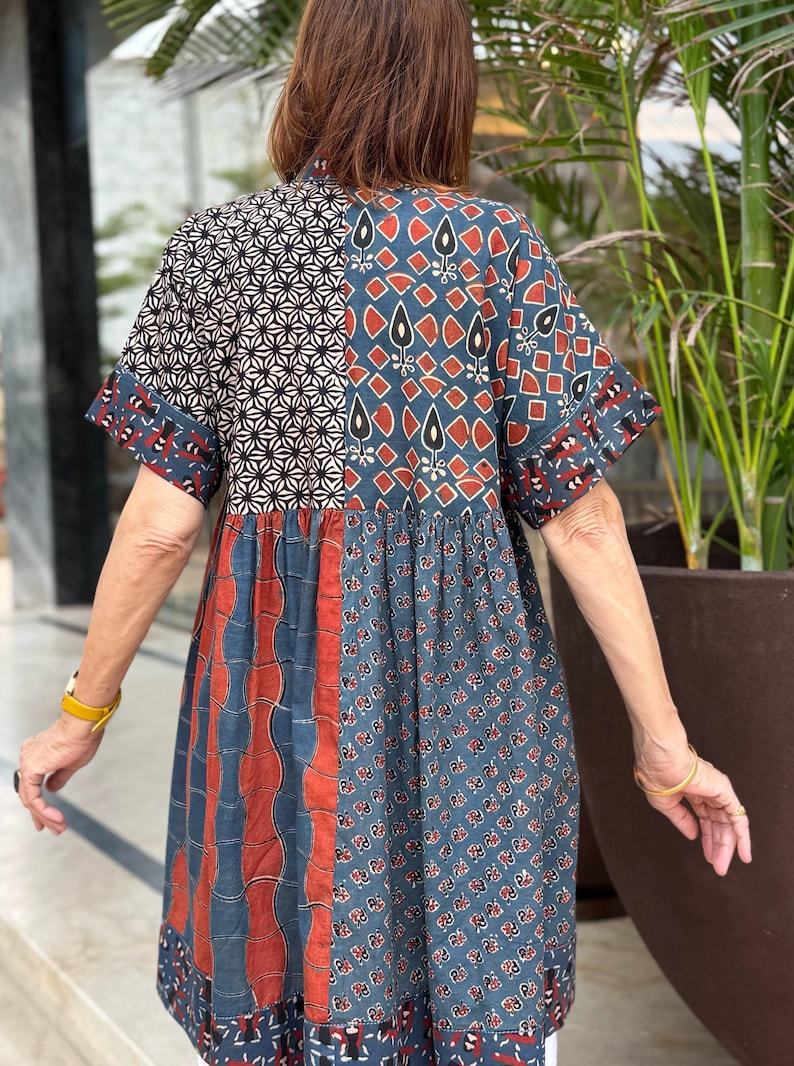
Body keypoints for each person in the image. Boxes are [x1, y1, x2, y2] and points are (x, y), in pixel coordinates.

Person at [13, 0, 751, 1063]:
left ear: (309, 73)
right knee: (475, 990)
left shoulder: (217, 251)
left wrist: (82, 713)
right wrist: (663, 746)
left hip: (273, 697)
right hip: (473, 705)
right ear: (445, 81)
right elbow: (583, 521)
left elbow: (162, 523)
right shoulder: (492, 249)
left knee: (290, 969)